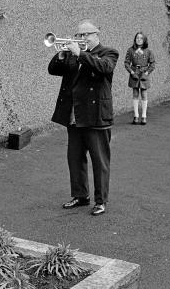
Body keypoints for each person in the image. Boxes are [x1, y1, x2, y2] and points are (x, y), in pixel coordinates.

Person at [48, 20, 119, 216]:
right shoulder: (73, 55)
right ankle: (80, 196)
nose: (83, 38)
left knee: (100, 161)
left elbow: (104, 68)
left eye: (87, 34)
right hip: (75, 116)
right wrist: (62, 54)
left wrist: (80, 54)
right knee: (75, 158)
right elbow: (53, 70)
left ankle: (101, 201)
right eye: (80, 35)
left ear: (97, 34)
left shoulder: (108, 53)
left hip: (95, 116)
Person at [124, 32, 155, 125]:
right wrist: (132, 72)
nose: (139, 40)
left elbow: (152, 64)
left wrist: (147, 72)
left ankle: (144, 116)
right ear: (135, 39)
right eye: (137, 38)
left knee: (144, 94)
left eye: (141, 38)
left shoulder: (148, 51)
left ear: (144, 40)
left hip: (144, 73)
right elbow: (126, 62)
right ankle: (136, 116)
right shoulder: (130, 50)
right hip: (134, 73)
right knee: (135, 93)